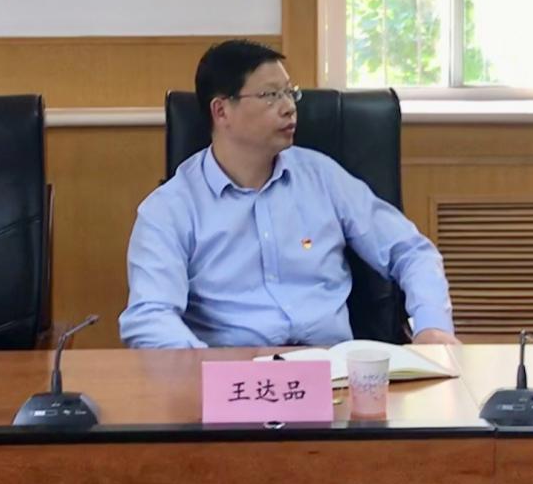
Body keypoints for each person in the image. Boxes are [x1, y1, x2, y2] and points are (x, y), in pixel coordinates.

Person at [120, 39, 458, 348]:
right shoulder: (171, 208)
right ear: (221, 111)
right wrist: (209, 371)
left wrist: (432, 326)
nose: (289, 108)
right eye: (270, 95)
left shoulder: (321, 177)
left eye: (289, 93)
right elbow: (150, 316)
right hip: (236, 376)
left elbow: (410, 250)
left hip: (334, 372)